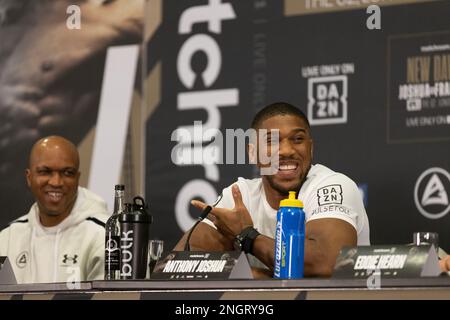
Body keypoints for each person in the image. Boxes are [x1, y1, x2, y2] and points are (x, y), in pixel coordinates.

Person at [174, 102, 370, 278]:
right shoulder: (240, 194)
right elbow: (181, 262)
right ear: (252, 153)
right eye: (271, 141)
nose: (286, 151)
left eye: (298, 139)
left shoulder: (332, 185)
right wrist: (256, 277)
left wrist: (246, 236)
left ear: (310, 149)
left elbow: (326, 263)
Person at [0, 136, 109, 283]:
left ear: (77, 178)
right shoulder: (7, 239)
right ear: (29, 177)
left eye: (67, 173)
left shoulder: (106, 236)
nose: (56, 182)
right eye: (45, 172)